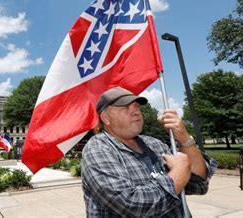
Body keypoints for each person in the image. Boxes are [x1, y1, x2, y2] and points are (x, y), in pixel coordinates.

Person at [81, 87, 217, 217]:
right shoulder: (98, 148)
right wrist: (180, 170)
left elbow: (198, 185)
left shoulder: (154, 144)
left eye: (137, 107)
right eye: (125, 107)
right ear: (106, 118)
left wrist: (184, 137)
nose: (136, 112)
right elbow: (132, 206)